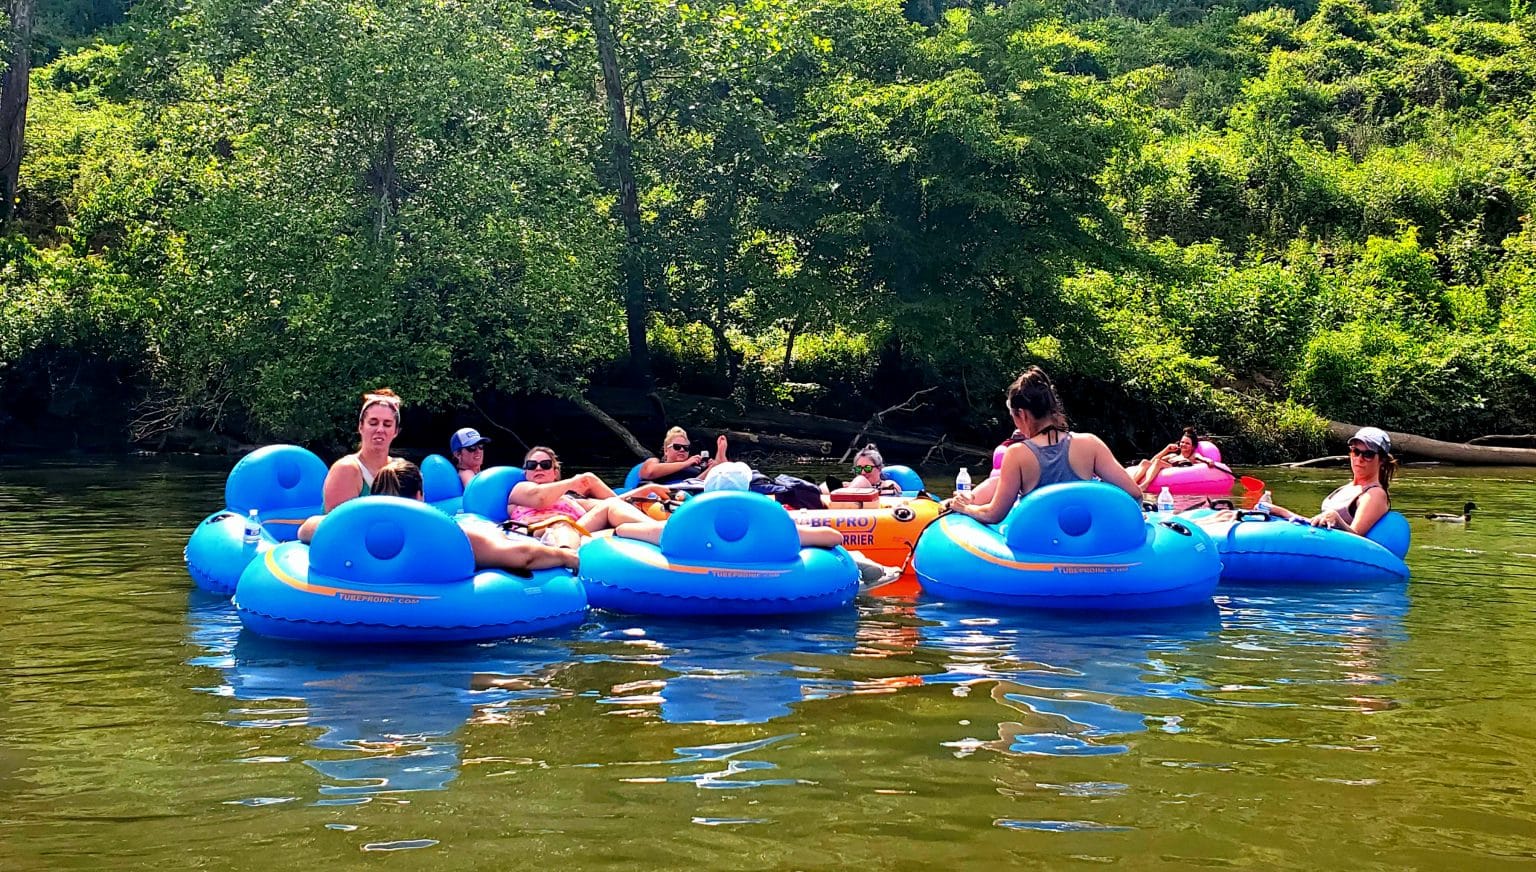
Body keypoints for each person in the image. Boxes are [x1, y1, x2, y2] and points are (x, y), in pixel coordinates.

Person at [614, 462, 901, 585]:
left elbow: (625, 530)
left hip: (694, 579)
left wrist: (623, 531)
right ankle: (865, 568)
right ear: (750, 491)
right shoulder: (772, 524)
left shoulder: (682, 526)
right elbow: (831, 537)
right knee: (844, 554)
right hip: (768, 581)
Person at [299, 460, 578, 572]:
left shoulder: (354, 530)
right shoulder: (449, 535)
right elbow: (524, 556)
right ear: (421, 495)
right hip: (442, 605)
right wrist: (566, 556)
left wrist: (340, 522)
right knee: (557, 531)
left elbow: (306, 529)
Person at [946, 366, 1142, 525]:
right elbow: (1134, 494)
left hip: (1039, 548)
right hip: (1085, 545)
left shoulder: (1016, 454)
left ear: (1022, 414)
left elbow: (993, 515)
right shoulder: (1090, 444)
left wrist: (964, 508)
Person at [508, 446, 663, 549]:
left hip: (576, 532)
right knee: (562, 524)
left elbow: (614, 503)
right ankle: (566, 560)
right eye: (532, 465)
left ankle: (663, 531)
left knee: (610, 505)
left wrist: (644, 490)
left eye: (545, 464)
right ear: (526, 472)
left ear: (555, 472)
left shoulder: (569, 500)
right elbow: (539, 498)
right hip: (536, 531)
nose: (538, 468)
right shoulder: (521, 489)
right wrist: (571, 482)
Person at [1262, 427, 1397, 537]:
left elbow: (1356, 537)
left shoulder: (1375, 494)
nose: (1359, 459)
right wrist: (1279, 511)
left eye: (1368, 454)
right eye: (1356, 451)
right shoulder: (1348, 488)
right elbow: (1315, 524)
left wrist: (1336, 518)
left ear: (1382, 460)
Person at [321, 388, 404, 512]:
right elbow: (339, 525)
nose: (380, 429)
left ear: (396, 431)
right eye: (373, 423)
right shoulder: (347, 469)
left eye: (387, 424)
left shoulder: (401, 469)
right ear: (361, 426)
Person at [1130, 426, 1219, 490]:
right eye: (1182, 442)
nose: (1183, 445)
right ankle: (1131, 483)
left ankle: (1145, 485)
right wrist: (1166, 450)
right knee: (1145, 462)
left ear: (1192, 446)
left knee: (1158, 462)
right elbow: (1151, 462)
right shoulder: (1173, 456)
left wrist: (1209, 461)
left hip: (1177, 470)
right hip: (1165, 466)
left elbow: (1203, 458)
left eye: (1187, 443)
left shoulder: (1193, 456)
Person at [636, 426, 729, 484]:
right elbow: (648, 472)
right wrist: (686, 463)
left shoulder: (696, 466)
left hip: (695, 492)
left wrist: (711, 467)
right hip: (668, 495)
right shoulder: (655, 461)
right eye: (677, 447)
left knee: (721, 471)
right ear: (666, 450)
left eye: (686, 448)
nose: (682, 450)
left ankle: (718, 463)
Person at [822, 443, 903, 507]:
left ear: (879, 468)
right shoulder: (851, 484)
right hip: (849, 501)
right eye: (859, 469)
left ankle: (842, 497)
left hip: (875, 511)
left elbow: (888, 504)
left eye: (867, 468)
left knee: (861, 480)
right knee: (825, 485)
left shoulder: (889, 484)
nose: (863, 472)